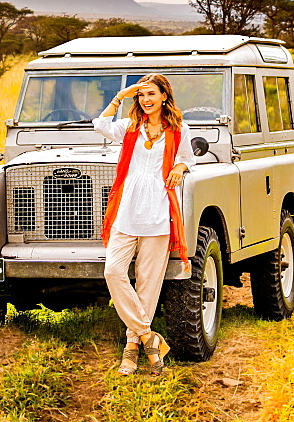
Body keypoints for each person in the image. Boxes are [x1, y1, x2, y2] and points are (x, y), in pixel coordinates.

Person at [93, 73, 197, 376]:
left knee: (148, 285)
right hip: (127, 209)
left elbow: (188, 158)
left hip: (158, 211)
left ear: (164, 96)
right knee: (113, 270)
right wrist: (120, 97)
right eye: (141, 96)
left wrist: (179, 167)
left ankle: (132, 347)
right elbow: (99, 125)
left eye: (151, 94)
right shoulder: (129, 127)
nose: (146, 100)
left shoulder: (178, 129)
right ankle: (149, 337)